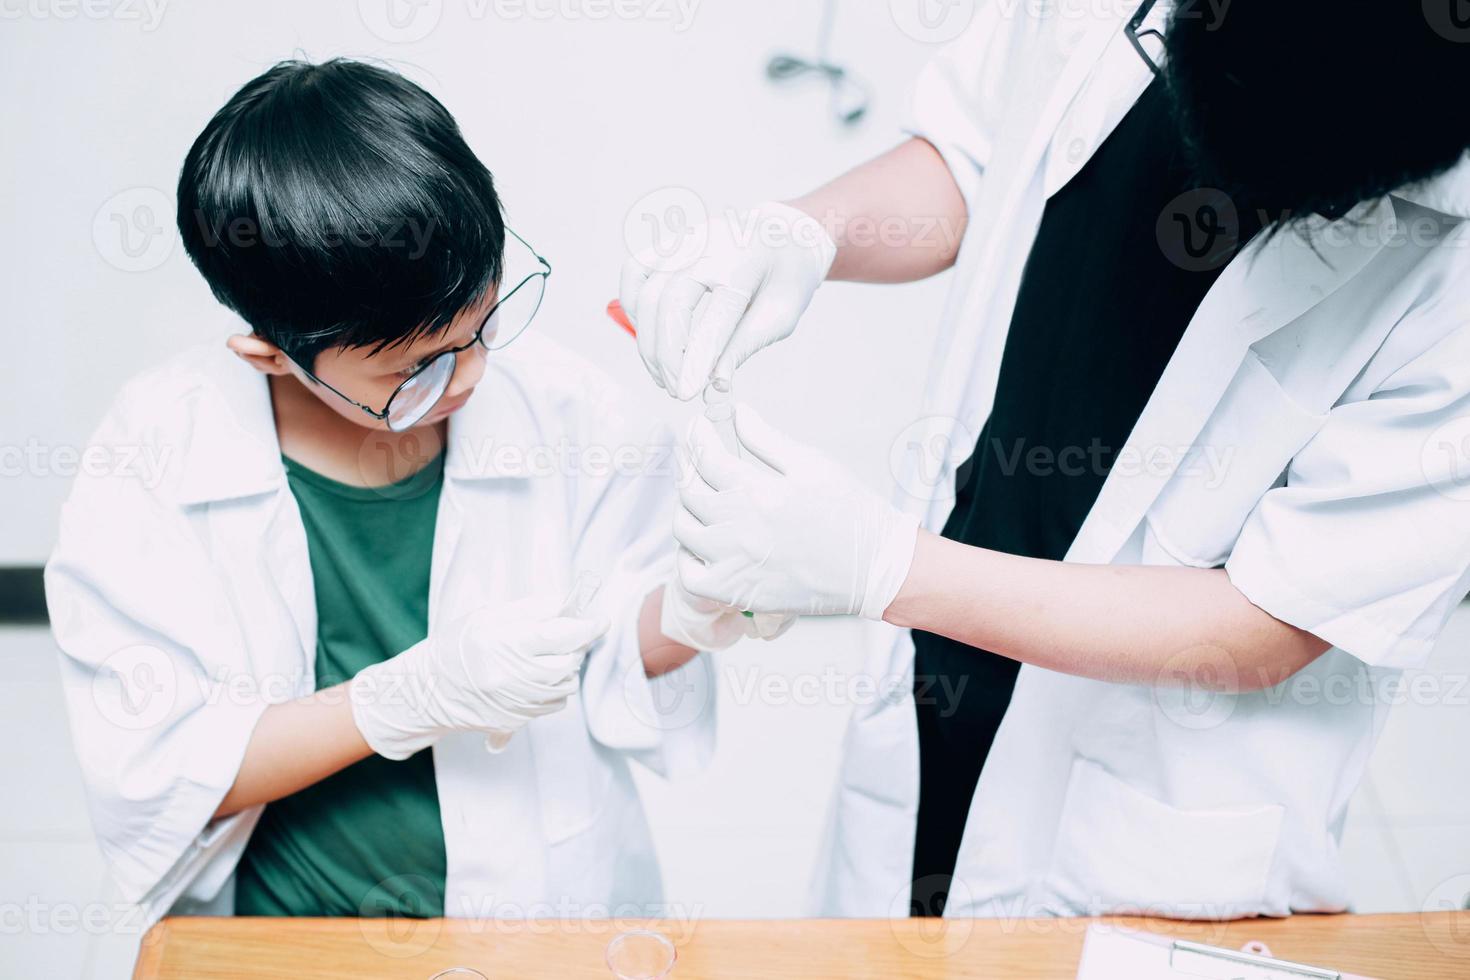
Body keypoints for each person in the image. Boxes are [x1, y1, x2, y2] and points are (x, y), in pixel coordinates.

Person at [619, 1, 1470, 919]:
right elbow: (976, 150)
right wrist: (803, 231)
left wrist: (887, 566)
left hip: (1154, 794)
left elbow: (1271, 619)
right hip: (937, 680)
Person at [45, 59, 754, 928]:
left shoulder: (570, 411)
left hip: (531, 921)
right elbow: (159, 770)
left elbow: (605, 657)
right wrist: (401, 699)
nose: (469, 377)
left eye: (484, 325)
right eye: (411, 369)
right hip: (287, 926)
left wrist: (694, 609)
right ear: (271, 355)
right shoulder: (155, 451)